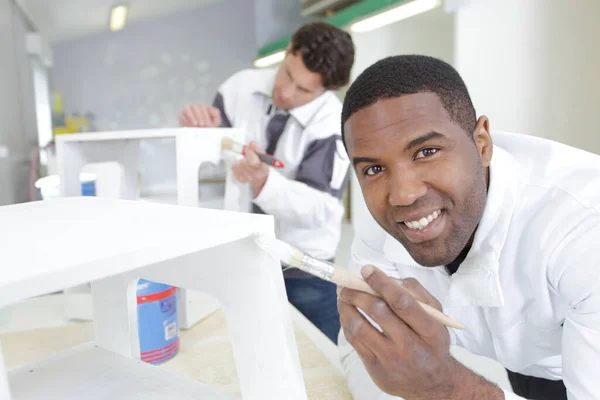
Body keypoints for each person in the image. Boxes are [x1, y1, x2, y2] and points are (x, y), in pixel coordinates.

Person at [336, 54, 600, 399]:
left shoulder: (583, 231)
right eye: (373, 170)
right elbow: (369, 349)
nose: (402, 196)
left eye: (426, 151)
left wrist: (446, 386)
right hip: (526, 367)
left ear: (482, 144)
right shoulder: (381, 227)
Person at [179, 22, 355, 343]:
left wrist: (264, 182)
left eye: (303, 90)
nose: (286, 91)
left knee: (322, 367)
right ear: (288, 50)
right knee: (248, 353)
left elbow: (320, 209)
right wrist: (198, 128)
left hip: (304, 273)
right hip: (245, 261)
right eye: (287, 73)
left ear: (326, 90)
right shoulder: (239, 87)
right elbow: (213, 152)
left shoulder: (332, 125)